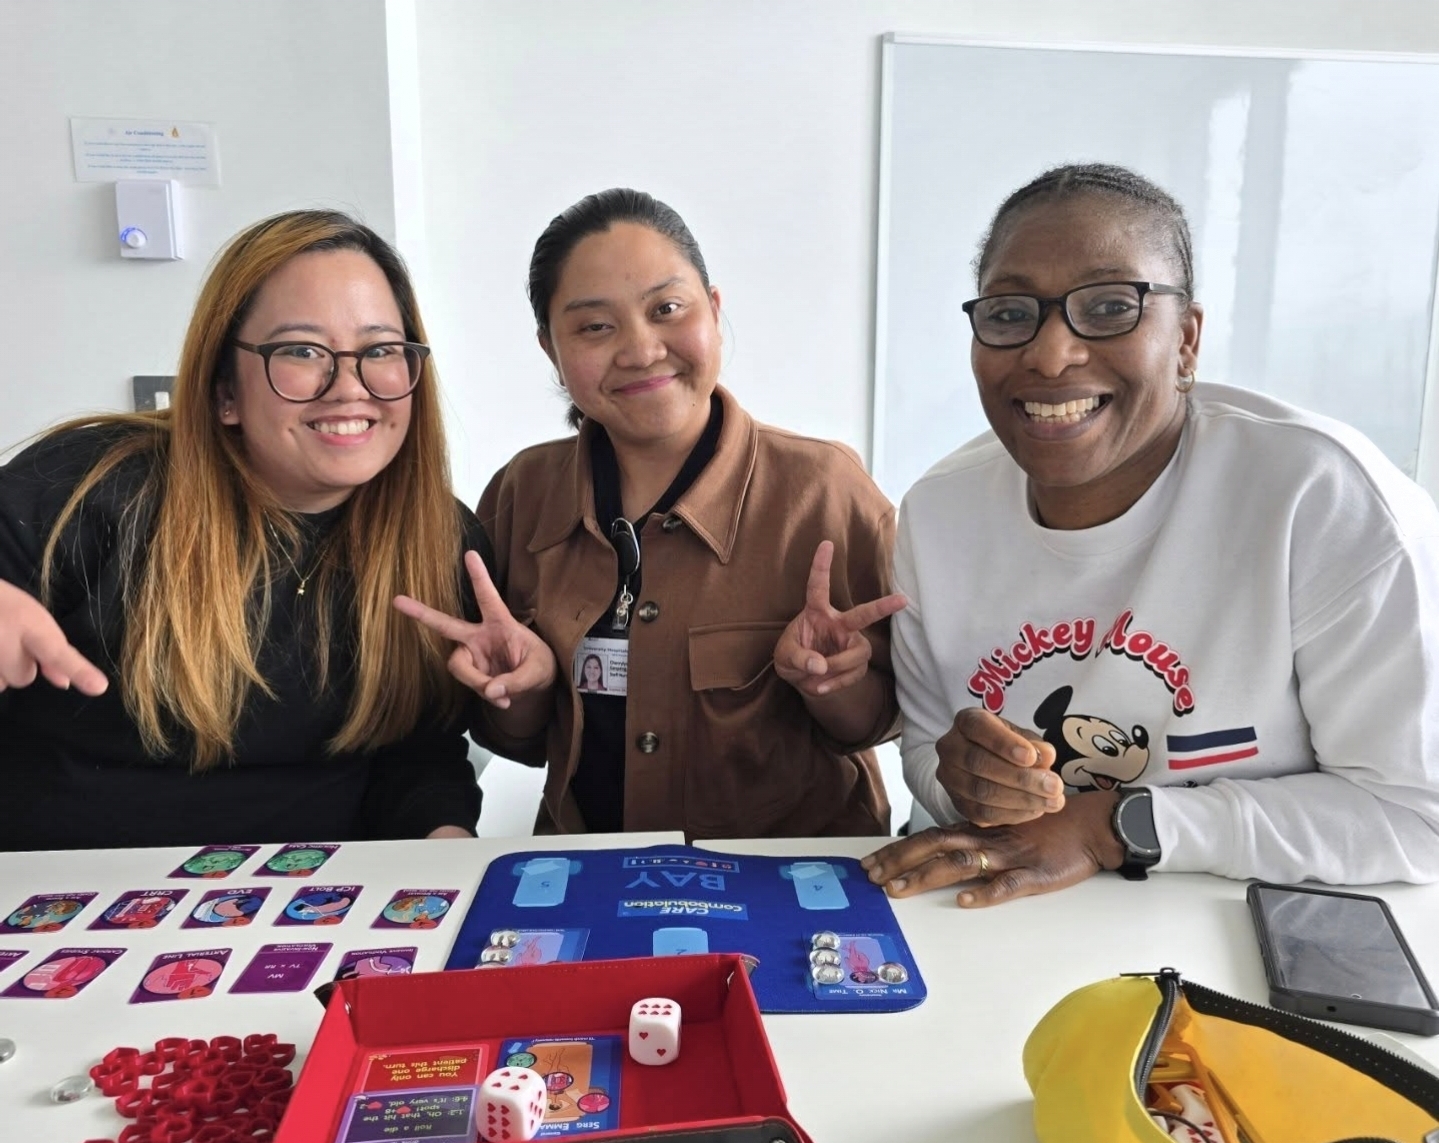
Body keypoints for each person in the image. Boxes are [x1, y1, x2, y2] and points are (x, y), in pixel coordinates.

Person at [863, 163, 1439, 907]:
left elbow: (1411, 818)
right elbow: (924, 751)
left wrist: (1114, 825)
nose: (1048, 354)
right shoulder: (939, 516)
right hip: (1016, 928)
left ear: (1187, 340)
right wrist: (963, 782)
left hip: (1245, 932)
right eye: (1009, 313)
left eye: (1108, 307)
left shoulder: (1318, 498)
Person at [399, 189, 903, 838]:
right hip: (585, 875)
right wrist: (522, 690)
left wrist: (831, 683)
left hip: (787, 886)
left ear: (714, 312)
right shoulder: (523, 494)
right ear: (550, 349)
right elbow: (518, 741)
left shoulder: (823, 489)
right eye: (594, 327)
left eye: (666, 309)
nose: (640, 350)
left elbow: (882, 720)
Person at [0, 209, 497, 848]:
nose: (350, 387)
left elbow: (415, 757)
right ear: (223, 391)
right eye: (300, 351)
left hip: (319, 912)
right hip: (65, 915)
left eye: (380, 351)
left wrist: (446, 847)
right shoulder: (87, 487)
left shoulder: (441, 539)